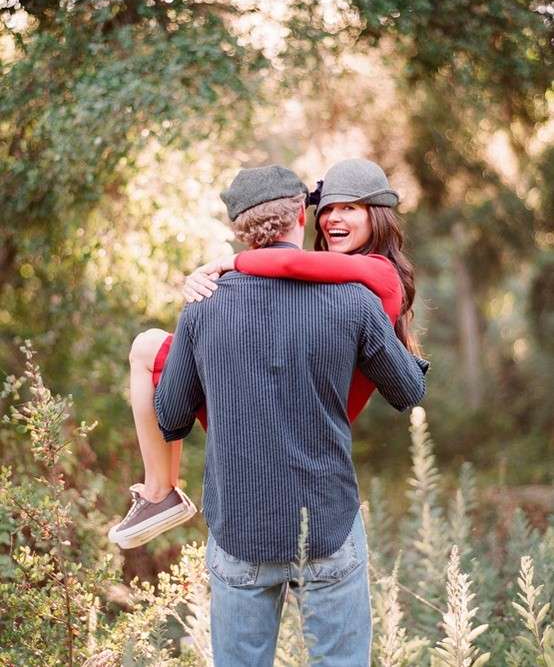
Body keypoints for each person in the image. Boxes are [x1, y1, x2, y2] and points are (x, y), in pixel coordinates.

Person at [154, 164, 428, 666]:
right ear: (302, 215)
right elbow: (408, 391)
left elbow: (170, 416)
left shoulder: (202, 306)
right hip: (327, 523)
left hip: (240, 528)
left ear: (239, 228)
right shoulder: (354, 301)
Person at [108, 159, 419, 549]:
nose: (333, 219)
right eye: (327, 209)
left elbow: (289, 260)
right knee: (149, 346)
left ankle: (160, 491)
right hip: (293, 404)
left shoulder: (378, 271)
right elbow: (290, 271)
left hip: (311, 409)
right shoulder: (338, 276)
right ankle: (161, 490)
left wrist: (229, 263)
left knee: (147, 346)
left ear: (378, 217)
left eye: (350, 208)